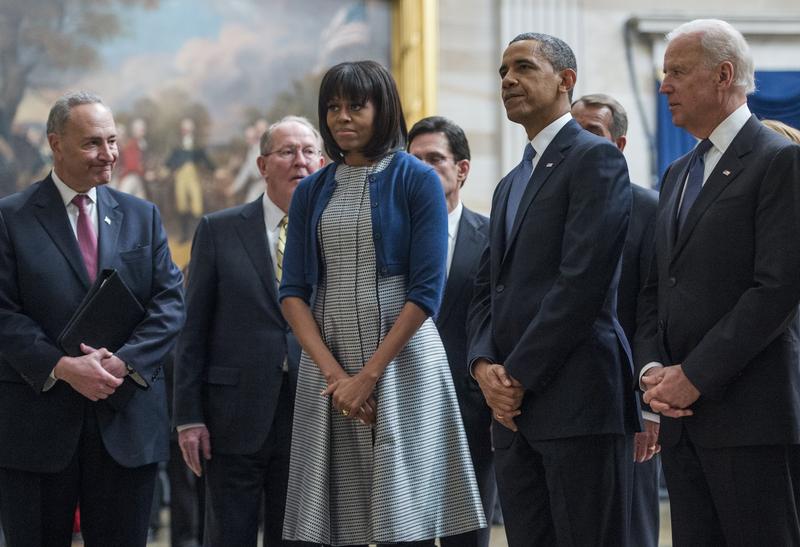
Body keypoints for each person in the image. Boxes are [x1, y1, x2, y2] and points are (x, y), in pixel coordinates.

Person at [279, 60, 486, 547]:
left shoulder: (416, 179)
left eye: (356, 106)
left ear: (383, 108)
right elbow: (293, 293)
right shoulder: (312, 189)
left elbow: (424, 293)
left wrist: (369, 377)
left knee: (406, 522)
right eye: (333, 107)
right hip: (327, 367)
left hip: (404, 363)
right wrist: (338, 380)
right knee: (336, 524)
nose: (342, 117)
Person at [468, 33, 638, 547]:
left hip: (577, 399)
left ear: (566, 81)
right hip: (511, 412)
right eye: (502, 72)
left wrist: (515, 374)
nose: (509, 80)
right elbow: (486, 288)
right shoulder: (509, 182)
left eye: (523, 67)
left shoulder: (596, 160)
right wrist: (482, 366)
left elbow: (581, 283)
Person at [635, 19, 800, 546]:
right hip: (682, 422)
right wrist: (653, 371)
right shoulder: (677, 172)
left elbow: (776, 290)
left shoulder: (778, 161)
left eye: (678, 73)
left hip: (751, 420)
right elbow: (657, 287)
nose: (664, 86)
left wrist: (696, 375)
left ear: (724, 75)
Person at [0, 91, 185, 546]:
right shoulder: (10, 218)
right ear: (55, 144)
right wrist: (62, 367)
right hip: (36, 427)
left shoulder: (143, 215)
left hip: (125, 424)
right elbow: (4, 312)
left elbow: (169, 303)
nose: (108, 155)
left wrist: (123, 362)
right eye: (92, 144)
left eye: (113, 141)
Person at [173, 115, 325, 547]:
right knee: (227, 536)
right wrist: (188, 417)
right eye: (287, 152)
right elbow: (193, 332)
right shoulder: (219, 229)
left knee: (296, 538)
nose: (300, 162)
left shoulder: (334, 232)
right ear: (261, 165)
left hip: (310, 411)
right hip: (231, 417)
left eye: (308, 152)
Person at [571, 93, 660, 547]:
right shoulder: (551, 201)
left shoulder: (650, 209)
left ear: (619, 143)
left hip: (627, 402)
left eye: (593, 132)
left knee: (632, 528)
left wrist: (647, 406)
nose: (578, 142)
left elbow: (654, 310)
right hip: (562, 401)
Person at [406, 116, 495, 547]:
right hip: (402, 416)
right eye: (414, 160)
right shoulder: (387, 241)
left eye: (434, 159)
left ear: (462, 169)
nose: (423, 169)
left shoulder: (496, 236)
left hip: (473, 415)